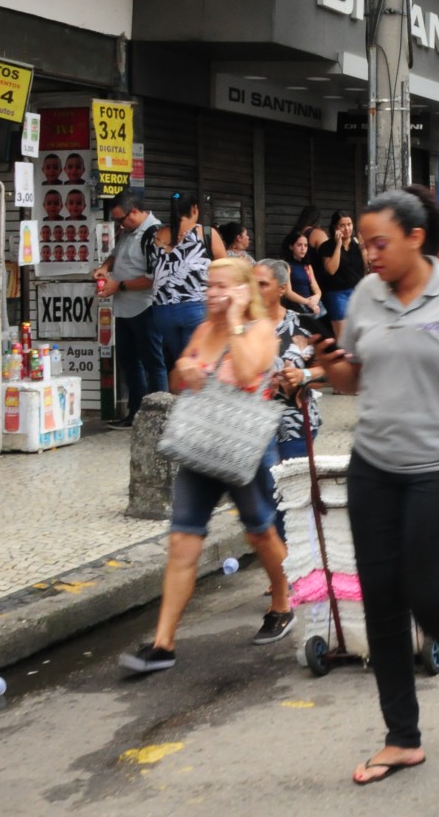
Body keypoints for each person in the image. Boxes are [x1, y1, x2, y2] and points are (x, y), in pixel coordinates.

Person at [316, 188, 439, 784]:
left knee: (426, 591)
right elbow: (355, 377)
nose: (367, 254)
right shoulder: (369, 295)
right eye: (364, 242)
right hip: (374, 466)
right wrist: (326, 365)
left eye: (379, 243)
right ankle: (402, 736)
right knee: (381, 601)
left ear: (416, 238)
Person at [118, 257, 293, 673]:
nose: (211, 293)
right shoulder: (201, 329)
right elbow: (179, 383)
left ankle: (283, 602)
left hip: (243, 449)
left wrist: (234, 320)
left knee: (260, 532)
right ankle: (163, 643)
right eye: (209, 285)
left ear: (243, 291)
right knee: (183, 540)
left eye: (221, 286)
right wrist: (182, 369)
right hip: (200, 447)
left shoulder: (261, 328)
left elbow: (251, 369)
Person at [254, 258, 317, 543]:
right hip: (253, 424)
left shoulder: (301, 325)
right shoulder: (242, 327)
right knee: (266, 494)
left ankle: (297, 567)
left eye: (263, 284)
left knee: (293, 494)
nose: (255, 289)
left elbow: (330, 368)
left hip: (294, 420)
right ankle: (281, 571)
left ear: (281, 289)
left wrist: (303, 374)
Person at [96, 189, 164, 427]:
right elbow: (116, 254)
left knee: (153, 364)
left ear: (134, 211)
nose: (119, 224)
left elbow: (155, 278)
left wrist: (120, 285)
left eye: (121, 219)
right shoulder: (128, 229)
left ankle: (158, 418)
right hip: (123, 309)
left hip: (145, 308)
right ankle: (135, 413)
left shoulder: (155, 234)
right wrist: (105, 268)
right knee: (129, 363)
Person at [148, 195, 227, 381]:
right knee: (198, 365)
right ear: (194, 209)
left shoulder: (157, 236)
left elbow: (153, 272)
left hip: (162, 311)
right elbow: (226, 268)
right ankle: (196, 405)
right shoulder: (205, 232)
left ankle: (183, 403)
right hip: (195, 307)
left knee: (182, 363)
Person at [311, 211, 366, 337]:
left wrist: (363, 248)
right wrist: (338, 246)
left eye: (349, 224)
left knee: (357, 331)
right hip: (336, 292)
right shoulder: (327, 246)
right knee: (342, 335)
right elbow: (331, 269)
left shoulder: (356, 244)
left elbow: (366, 267)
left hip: (356, 290)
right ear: (336, 227)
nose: (347, 229)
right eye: (343, 225)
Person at [280, 227, 323, 316]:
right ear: (291, 247)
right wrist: (307, 302)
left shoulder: (307, 266)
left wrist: (316, 298)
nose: (303, 248)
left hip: (310, 307)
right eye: (299, 245)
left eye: (306, 245)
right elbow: (288, 292)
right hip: (295, 307)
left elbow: (316, 289)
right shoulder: (286, 265)